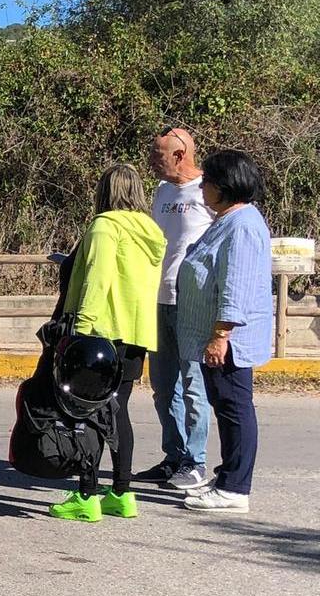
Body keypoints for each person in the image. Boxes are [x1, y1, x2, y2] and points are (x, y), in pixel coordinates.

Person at [48, 164, 166, 522]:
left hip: (101, 331)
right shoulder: (152, 231)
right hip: (136, 333)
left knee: (89, 412)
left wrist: (79, 329)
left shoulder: (105, 227)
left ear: (104, 191)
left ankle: (86, 493)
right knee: (119, 410)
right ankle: (122, 492)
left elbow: (96, 281)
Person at [176, 150, 274, 513]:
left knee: (234, 407)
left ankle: (235, 487)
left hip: (229, 339)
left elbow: (237, 285)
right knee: (227, 406)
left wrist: (221, 335)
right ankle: (229, 476)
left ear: (225, 186)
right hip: (217, 335)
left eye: (208, 183)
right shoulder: (228, 220)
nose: (202, 188)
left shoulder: (244, 224)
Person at [135, 127, 216, 490]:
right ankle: (175, 456)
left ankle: (196, 462)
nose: (153, 159)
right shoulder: (162, 191)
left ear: (180, 155)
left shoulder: (208, 192)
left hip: (191, 304)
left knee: (193, 385)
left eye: (159, 154)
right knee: (163, 387)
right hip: (158, 300)